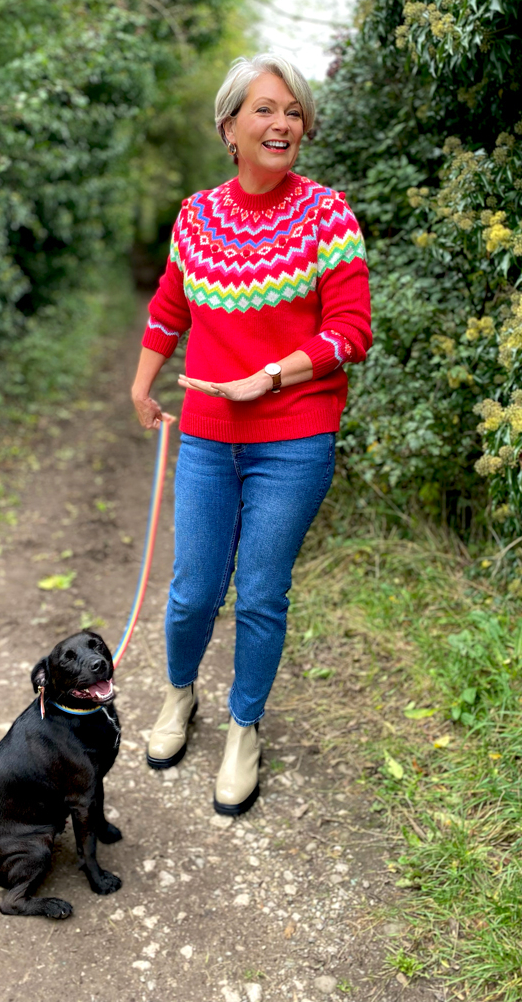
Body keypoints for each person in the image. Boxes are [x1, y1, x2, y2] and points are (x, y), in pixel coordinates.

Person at [131, 53, 371, 816]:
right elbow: (171, 307)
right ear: (229, 126)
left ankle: (243, 727)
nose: (283, 123)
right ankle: (178, 698)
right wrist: (143, 380)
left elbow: (352, 332)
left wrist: (270, 377)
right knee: (194, 588)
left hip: (294, 437)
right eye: (265, 109)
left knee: (262, 592)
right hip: (205, 434)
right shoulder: (196, 214)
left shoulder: (327, 213)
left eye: (294, 111)